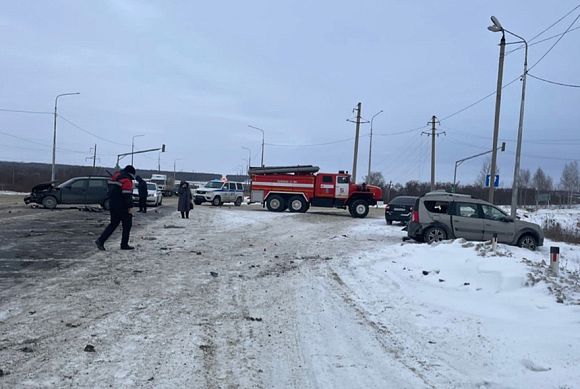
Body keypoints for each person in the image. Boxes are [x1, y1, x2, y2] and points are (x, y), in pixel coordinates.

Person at [95, 165, 136, 251]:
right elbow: (127, 195)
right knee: (127, 225)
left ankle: (101, 240)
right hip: (123, 206)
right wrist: (130, 207)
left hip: (112, 204)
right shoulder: (126, 180)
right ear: (130, 173)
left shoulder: (115, 177)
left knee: (113, 224)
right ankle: (124, 244)